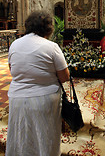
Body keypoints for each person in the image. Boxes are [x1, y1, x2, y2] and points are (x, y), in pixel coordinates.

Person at [5, 11, 70, 156]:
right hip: (45, 99)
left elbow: (13, 70)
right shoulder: (51, 47)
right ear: (48, 28)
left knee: (21, 134)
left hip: (17, 99)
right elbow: (65, 76)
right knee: (45, 135)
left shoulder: (14, 45)